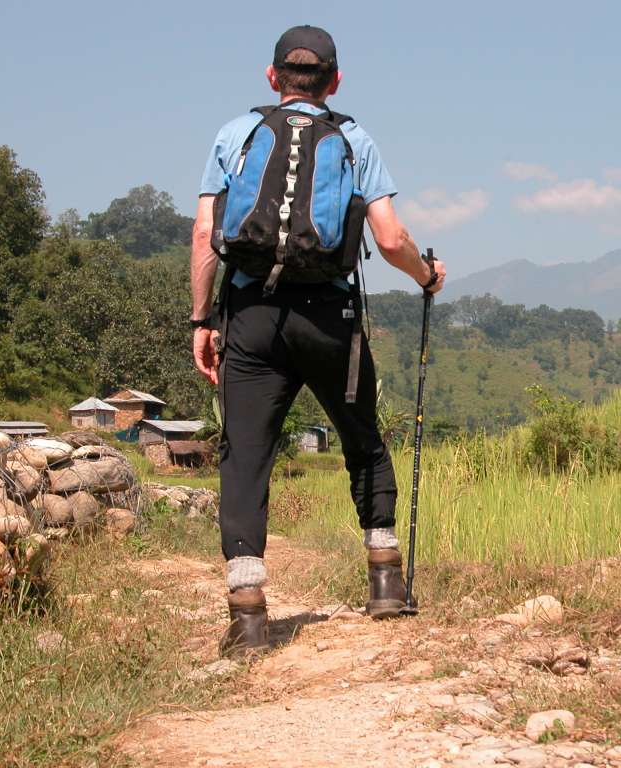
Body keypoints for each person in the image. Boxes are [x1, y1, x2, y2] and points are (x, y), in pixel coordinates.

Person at [190, 25, 446, 658]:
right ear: (334, 83)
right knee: (362, 437)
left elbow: (203, 236)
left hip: (251, 319)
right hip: (330, 318)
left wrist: (201, 321)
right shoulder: (353, 137)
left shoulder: (237, 134)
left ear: (272, 78)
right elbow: (389, 240)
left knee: (246, 455)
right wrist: (427, 276)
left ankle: (248, 615)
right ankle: (386, 579)